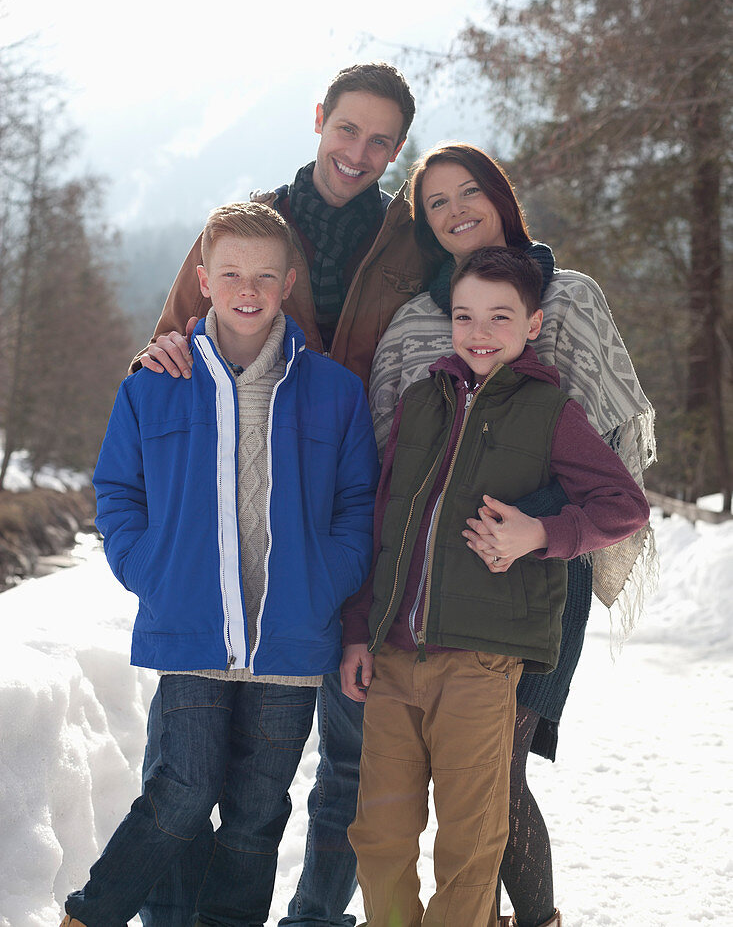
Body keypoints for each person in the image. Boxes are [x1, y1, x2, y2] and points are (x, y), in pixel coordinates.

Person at [129, 63, 429, 927]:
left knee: (348, 752)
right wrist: (154, 554)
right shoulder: (246, 226)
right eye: (347, 130)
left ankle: (309, 916)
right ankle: (176, 917)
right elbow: (169, 350)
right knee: (187, 758)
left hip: (355, 516)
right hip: (240, 526)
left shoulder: (408, 249)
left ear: (397, 149)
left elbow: (487, 305)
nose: (358, 152)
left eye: (380, 141)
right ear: (318, 121)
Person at [60, 202, 380, 927]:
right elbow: (116, 487)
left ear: (288, 283)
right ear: (203, 280)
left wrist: (331, 577)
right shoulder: (154, 382)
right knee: (181, 788)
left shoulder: (333, 391)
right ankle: (92, 913)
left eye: (265, 275)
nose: (247, 288)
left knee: (258, 809)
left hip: (292, 639)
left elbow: (358, 501)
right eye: (231, 272)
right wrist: (147, 567)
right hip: (191, 629)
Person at [366, 143, 657, 927]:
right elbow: (392, 468)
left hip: (537, 571)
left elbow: (614, 453)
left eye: (470, 192)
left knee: (495, 774)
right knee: (446, 791)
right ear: (424, 224)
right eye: (436, 203)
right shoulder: (414, 324)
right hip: (429, 591)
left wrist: (542, 528)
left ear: (499, 197)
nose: (456, 209)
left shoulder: (570, 298)